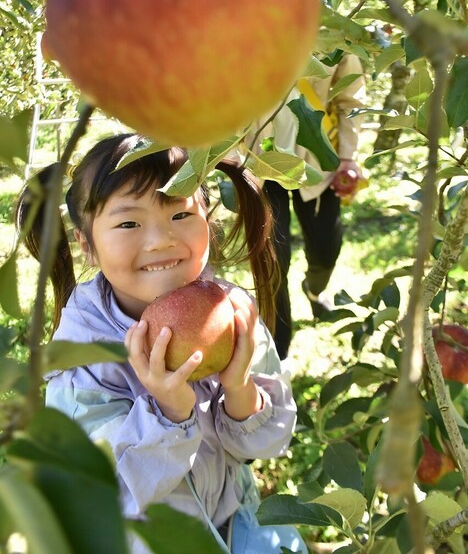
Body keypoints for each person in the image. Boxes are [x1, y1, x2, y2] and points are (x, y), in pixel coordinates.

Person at [16, 133, 307, 554]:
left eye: (180, 214)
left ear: (208, 217)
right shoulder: (83, 354)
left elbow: (267, 444)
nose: (160, 240)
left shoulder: (228, 313)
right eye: (129, 222)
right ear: (88, 245)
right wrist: (169, 412)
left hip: (237, 521)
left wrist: (240, 388)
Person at [251, 53, 366, 359]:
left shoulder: (332, 29)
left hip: (320, 156)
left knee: (327, 247)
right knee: (274, 259)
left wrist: (348, 156)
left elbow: (349, 98)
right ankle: (280, 347)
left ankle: (314, 290)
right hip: (262, 164)